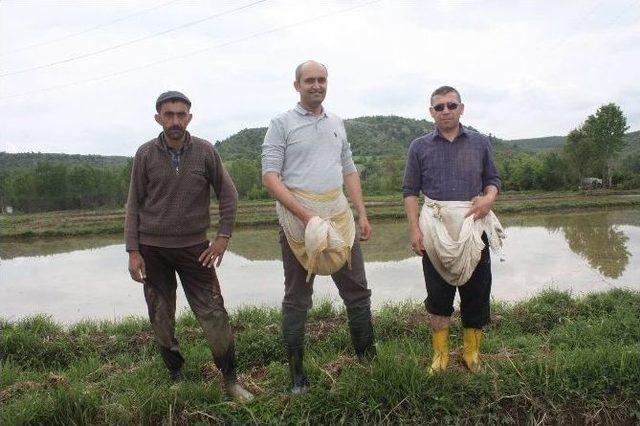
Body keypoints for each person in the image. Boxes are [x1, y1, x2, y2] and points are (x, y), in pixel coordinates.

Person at [124, 91, 253, 401]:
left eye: (181, 115)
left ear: (189, 118)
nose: (175, 121)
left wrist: (223, 238)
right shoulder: (145, 154)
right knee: (161, 314)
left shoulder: (206, 152)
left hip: (196, 249)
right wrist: (133, 251)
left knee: (213, 312)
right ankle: (176, 374)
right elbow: (133, 205)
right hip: (153, 250)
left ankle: (231, 379)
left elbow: (229, 195)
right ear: (158, 119)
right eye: (168, 115)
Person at [262, 61, 376, 394]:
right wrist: (306, 216)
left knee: (358, 292)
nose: (316, 85)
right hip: (298, 222)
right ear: (296, 85)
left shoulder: (337, 122)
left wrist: (362, 214)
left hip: (339, 216)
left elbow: (349, 170)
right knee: (297, 297)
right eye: (309, 80)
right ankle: (297, 377)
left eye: (321, 80)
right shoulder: (280, 124)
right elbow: (270, 178)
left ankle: (368, 361)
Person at [402, 86, 502, 374]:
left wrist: (489, 198)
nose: (445, 111)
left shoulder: (480, 142)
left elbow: (493, 179)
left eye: (451, 105)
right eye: (439, 107)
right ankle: (441, 355)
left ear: (461, 108)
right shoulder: (419, 146)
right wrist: (414, 230)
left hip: (473, 225)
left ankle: (472, 354)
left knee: (477, 292)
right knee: (438, 295)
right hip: (434, 227)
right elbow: (410, 191)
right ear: (431, 111)